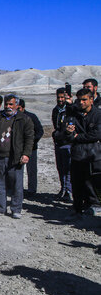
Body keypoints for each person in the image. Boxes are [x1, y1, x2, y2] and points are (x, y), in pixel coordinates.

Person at [0, 94, 34, 219]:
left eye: (11, 104)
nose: (8, 106)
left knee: (16, 184)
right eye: (6, 104)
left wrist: (26, 154)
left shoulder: (24, 119)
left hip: (15, 158)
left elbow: (29, 138)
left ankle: (16, 209)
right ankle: (0, 208)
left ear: (17, 105)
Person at [56, 88, 101, 216]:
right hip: (77, 155)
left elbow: (97, 134)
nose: (81, 103)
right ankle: (77, 208)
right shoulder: (73, 115)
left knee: (93, 183)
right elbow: (65, 133)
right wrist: (69, 133)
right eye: (79, 100)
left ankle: (95, 206)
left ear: (91, 100)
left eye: (84, 100)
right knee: (76, 183)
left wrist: (78, 137)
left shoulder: (98, 115)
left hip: (94, 155)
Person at [18, 99, 44, 196]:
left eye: (19, 108)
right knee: (18, 169)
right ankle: (18, 189)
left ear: (23, 108)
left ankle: (32, 190)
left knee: (32, 169)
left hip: (31, 148)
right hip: (18, 149)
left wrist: (31, 142)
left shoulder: (31, 117)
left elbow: (40, 131)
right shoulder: (14, 118)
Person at [51, 87, 73, 201]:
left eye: (62, 97)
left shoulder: (70, 109)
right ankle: (63, 189)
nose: (60, 99)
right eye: (58, 97)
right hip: (58, 142)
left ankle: (69, 191)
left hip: (68, 142)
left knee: (68, 168)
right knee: (60, 167)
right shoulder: (56, 110)